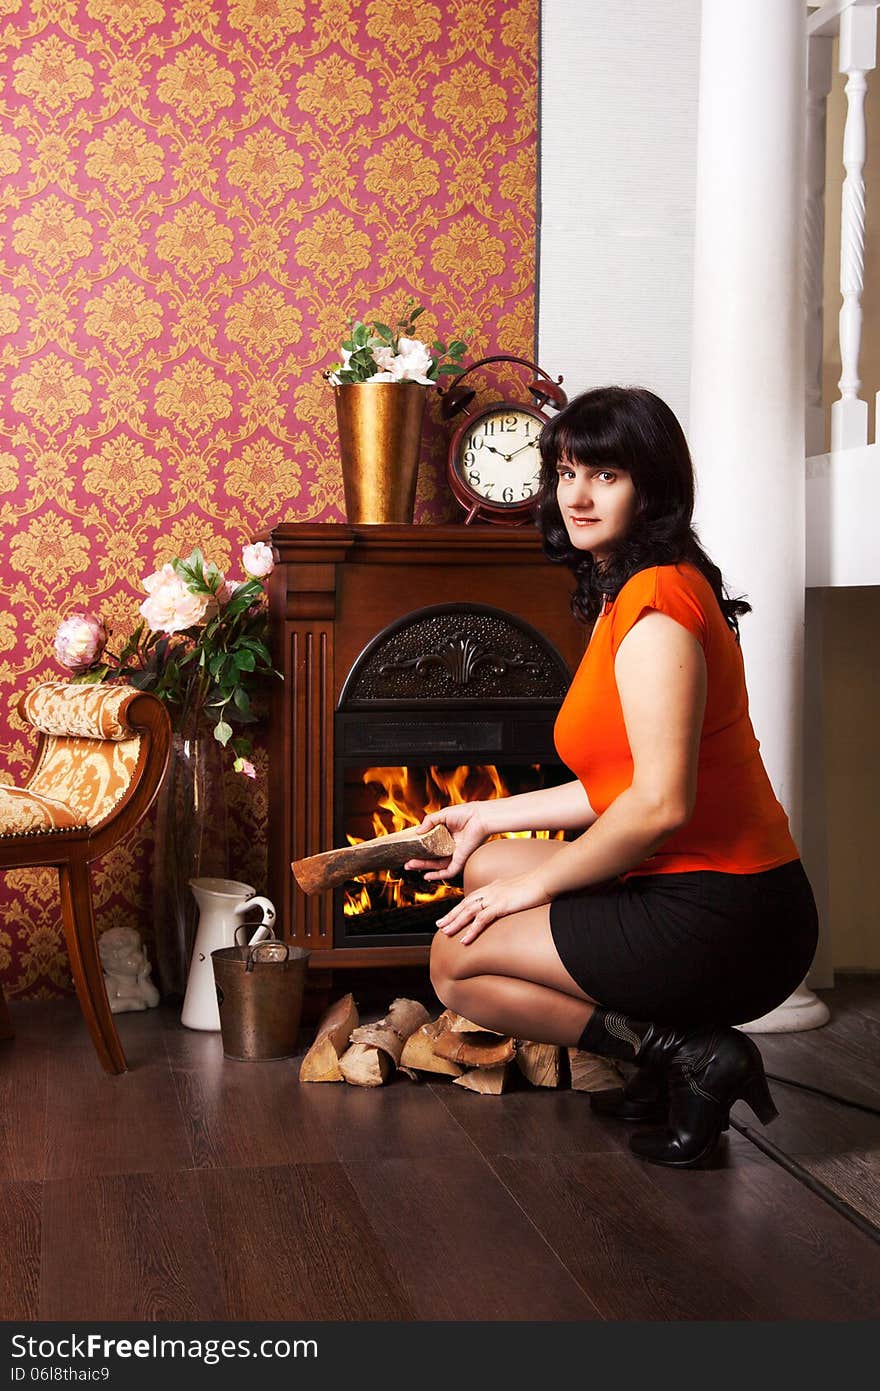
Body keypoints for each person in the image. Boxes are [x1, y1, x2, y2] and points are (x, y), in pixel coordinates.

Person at [408, 386, 819, 1170]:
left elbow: (660, 803)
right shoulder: (624, 588)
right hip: (683, 882)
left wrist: (533, 889)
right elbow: (618, 781)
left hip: (731, 914)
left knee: (455, 963)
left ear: (651, 487)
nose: (578, 495)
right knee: (484, 864)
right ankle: (670, 1058)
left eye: (605, 475)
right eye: (566, 472)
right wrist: (491, 815)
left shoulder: (657, 605)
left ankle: (683, 1054)